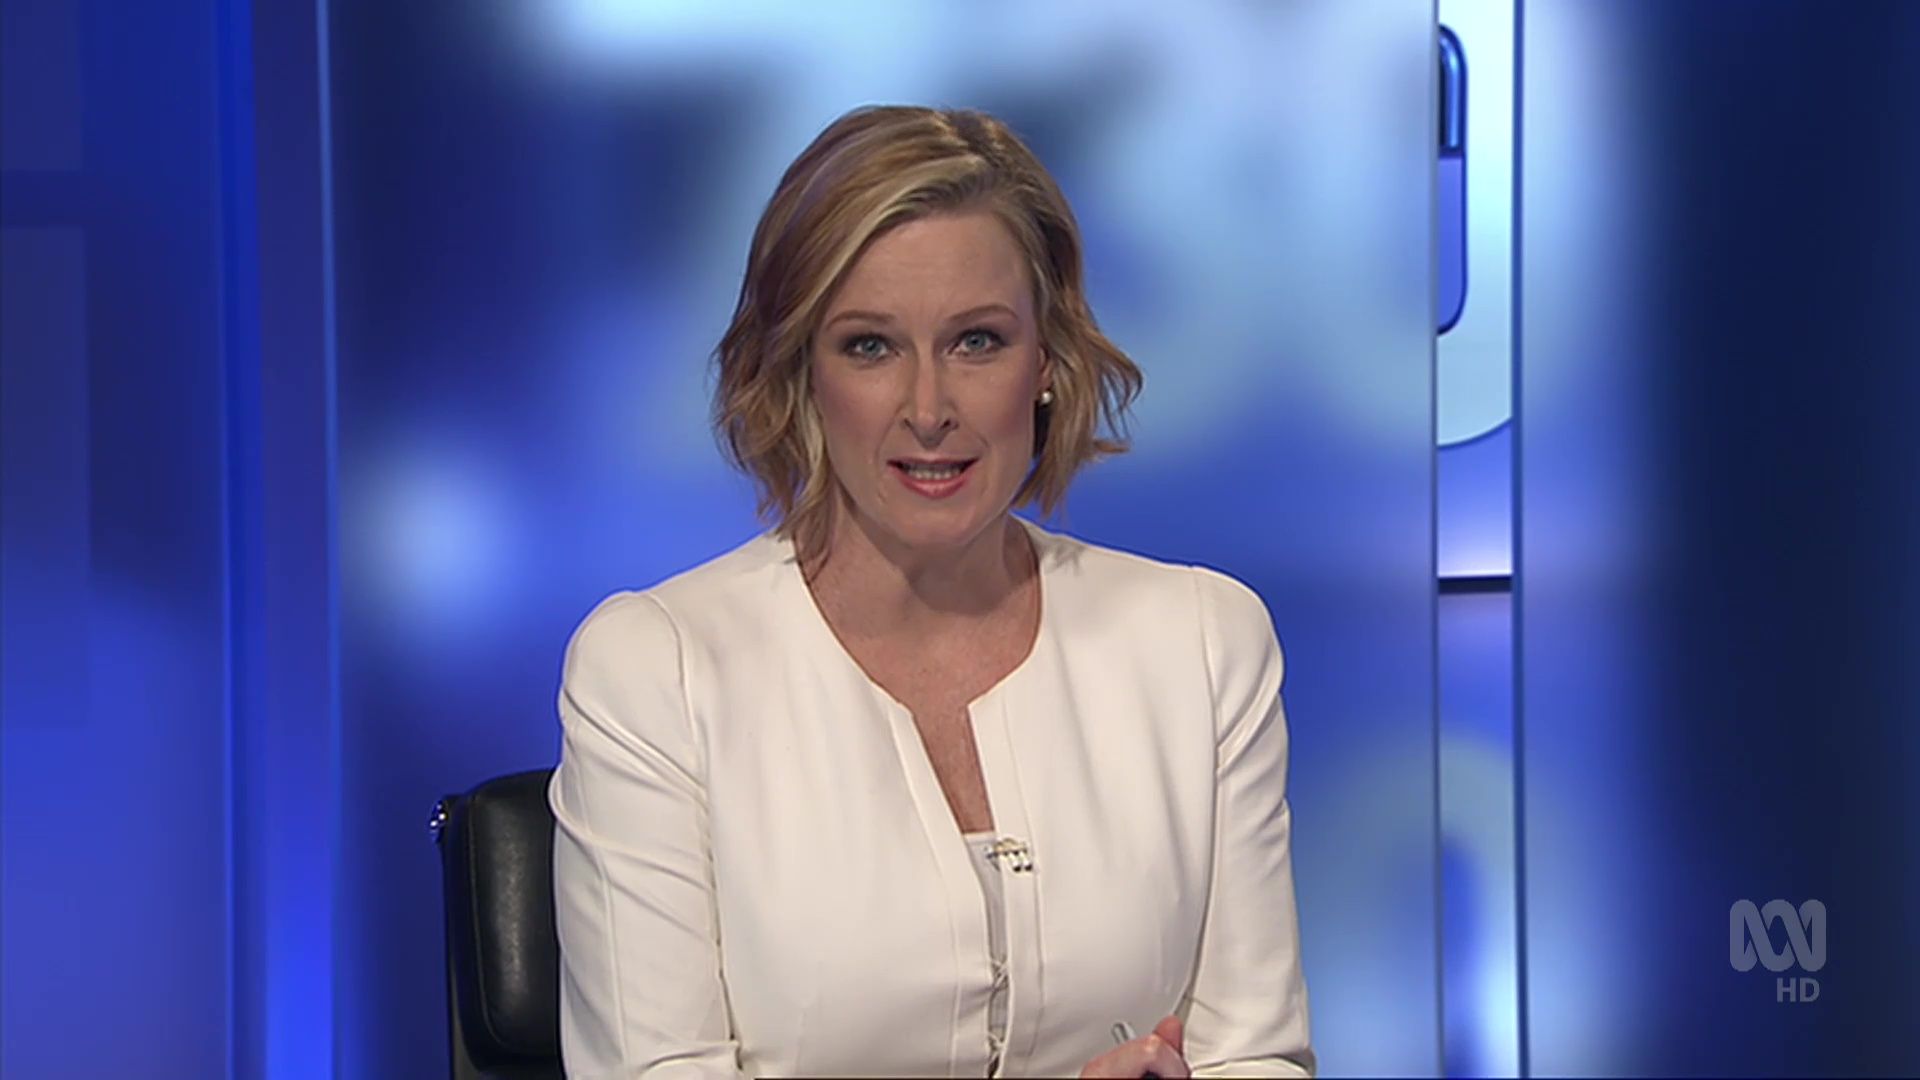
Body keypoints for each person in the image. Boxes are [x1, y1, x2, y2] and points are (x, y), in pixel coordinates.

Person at [548, 104, 1313, 1079]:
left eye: (977, 341)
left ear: (1047, 360)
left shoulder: (1201, 645)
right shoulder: (657, 674)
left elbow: (1258, 1057)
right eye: (870, 346)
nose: (928, 408)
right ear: (799, 370)